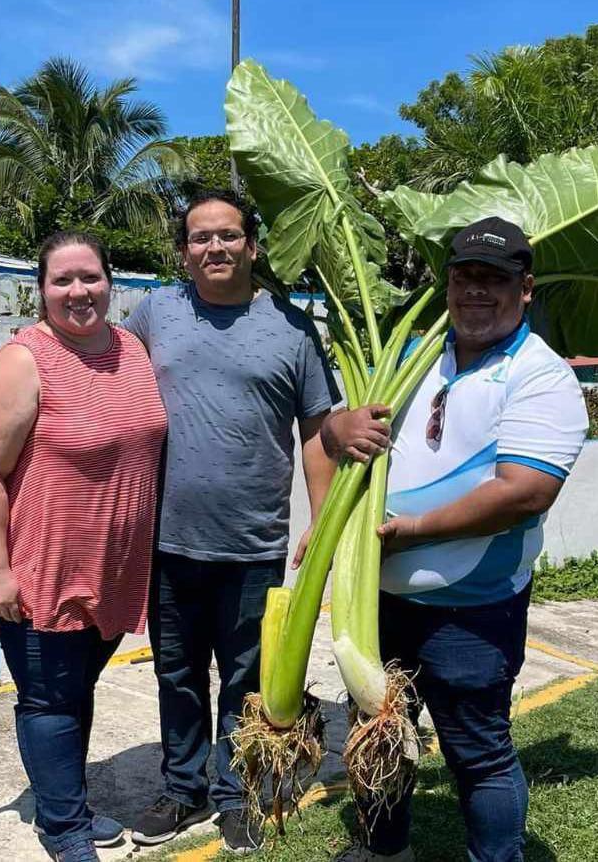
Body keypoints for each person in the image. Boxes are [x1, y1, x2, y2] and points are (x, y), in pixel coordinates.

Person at [325, 217, 589, 862]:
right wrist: (340, 427)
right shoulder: (416, 361)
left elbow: (524, 491)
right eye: (464, 276)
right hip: (381, 600)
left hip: (472, 607)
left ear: (524, 289)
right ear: (447, 282)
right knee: (378, 729)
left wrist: (407, 532)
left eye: (493, 279)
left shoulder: (540, 375)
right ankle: (383, 850)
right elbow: (341, 435)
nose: (476, 291)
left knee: (478, 750)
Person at [122, 189, 347, 854]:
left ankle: (237, 795)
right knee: (177, 673)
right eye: (199, 238)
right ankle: (184, 789)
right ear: (184, 251)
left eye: (227, 236)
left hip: (254, 542)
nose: (213, 248)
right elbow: (107, 388)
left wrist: (322, 515)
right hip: (168, 540)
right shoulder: (154, 313)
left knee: (245, 679)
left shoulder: (292, 327)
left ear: (252, 245)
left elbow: (316, 429)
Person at [0, 231, 167, 862]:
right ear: (41, 290)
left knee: (75, 689)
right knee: (48, 697)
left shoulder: (131, 349)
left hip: (110, 565)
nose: (78, 292)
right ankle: (64, 826)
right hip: (38, 564)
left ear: (111, 282)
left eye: (90, 277)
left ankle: (60, 800)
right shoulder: (24, 361)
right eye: (62, 280)